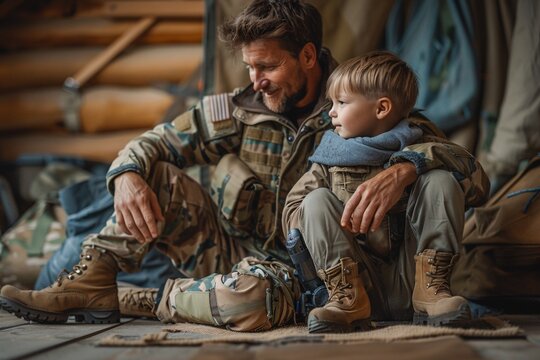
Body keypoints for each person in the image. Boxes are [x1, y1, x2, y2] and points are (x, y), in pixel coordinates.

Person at [0, 0, 487, 331]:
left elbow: (450, 158)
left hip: (310, 271)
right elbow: (158, 141)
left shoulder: (357, 104)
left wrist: (404, 168)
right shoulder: (238, 110)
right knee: (153, 174)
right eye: (250, 68)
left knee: (250, 301)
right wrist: (127, 174)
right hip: (232, 248)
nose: (256, 81)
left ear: (309, 56)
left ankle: (146, 299)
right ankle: (92, 283)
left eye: (268, 67)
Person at [283, 52, 490, 333]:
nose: (331, 111)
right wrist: (335, 227)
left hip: (415, 279)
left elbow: (479, 186)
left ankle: (433, 293)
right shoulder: (329, 157)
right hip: (359, 282)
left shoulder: (425, 142)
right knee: (314, 200)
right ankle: (347, 302)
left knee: (440, 179)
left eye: (341, 103)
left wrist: (412, 166)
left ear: (381, 109)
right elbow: (291, 215)